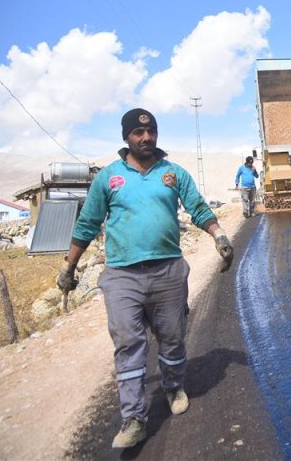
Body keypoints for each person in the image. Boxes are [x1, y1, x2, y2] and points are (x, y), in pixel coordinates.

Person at [56, 108, 234, 450]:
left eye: (151, 131)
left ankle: (172, 387)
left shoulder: (172, 173)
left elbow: (197, 207)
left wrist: (219, 236)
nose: (146, 137)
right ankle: (134, 418)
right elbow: (87, 224)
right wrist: (69, 267)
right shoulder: (108, 178)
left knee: (172, 338)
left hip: (168, 270)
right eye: (139, 133)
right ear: (126, 137)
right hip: (122, 276)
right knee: (129, 344)